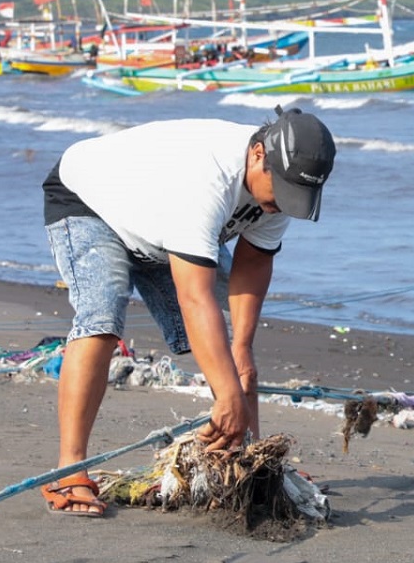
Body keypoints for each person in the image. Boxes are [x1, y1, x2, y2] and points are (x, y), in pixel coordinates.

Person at [39, 107, 336, 517]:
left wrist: (243, 351)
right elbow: (195, 297)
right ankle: (69, 470)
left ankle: (248, 463)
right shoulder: (206, 178)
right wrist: (228, 393)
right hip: (91, 204)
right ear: (257, 155)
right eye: (281, 190)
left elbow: (253, 264)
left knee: (234, 353)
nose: (280, 204)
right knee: (102, 319)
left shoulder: (281, 188)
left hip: (160, 231)